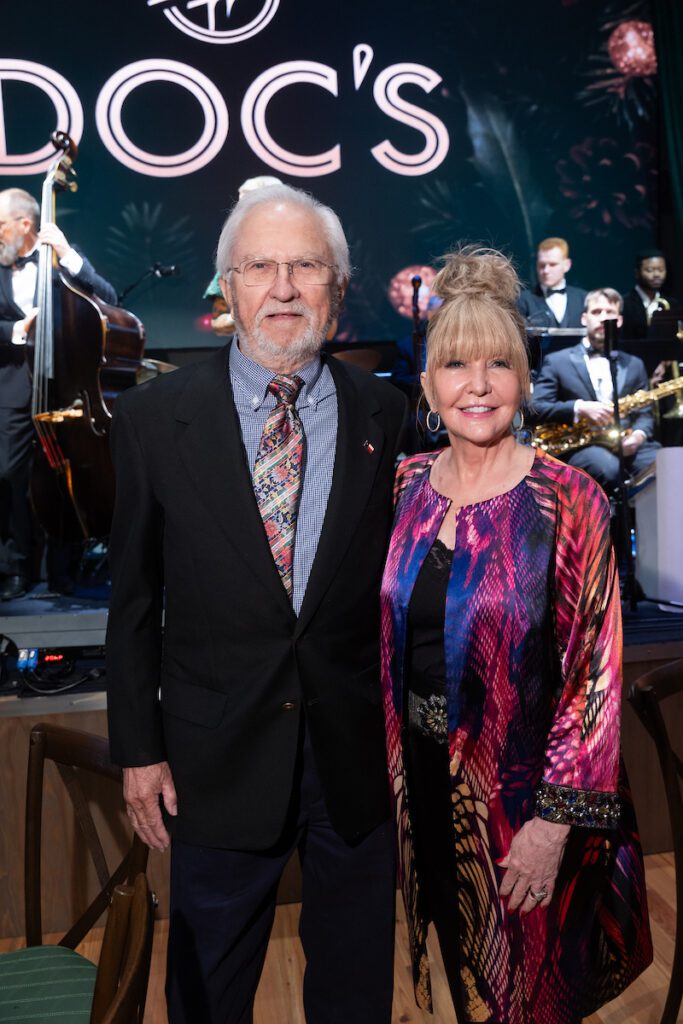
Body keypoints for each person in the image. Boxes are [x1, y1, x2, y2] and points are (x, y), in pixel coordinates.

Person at [106, 183, 407, 1024]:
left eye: (305, 265)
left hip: (351, 763)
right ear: (226, 286)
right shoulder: (154, 418)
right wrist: (138, 748)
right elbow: (133, 600)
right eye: (259, 267)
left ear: (336, 288)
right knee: (208, 989)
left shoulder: (386, 414)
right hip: (212, 761)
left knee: (353, 990)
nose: (282, 287)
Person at [380, 247, 652, 1024]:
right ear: (428, 384)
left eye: (497, 363)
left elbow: (592, 681)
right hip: (424, 785)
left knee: (529, 992)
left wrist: (552, 822)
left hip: (524, 801)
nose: (476, 384)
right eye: (455, 364)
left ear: (524, 379)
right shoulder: (403, 488)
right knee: (461, 976)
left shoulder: (568, 499)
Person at [0, 187, 116, 600]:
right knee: (10, 480)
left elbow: (108, 299)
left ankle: (62, 572)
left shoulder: (60, 259)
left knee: (64, 475)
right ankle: (16, 569)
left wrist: (68, 253)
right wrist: (18, 330)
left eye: (1, 224)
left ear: (24, 224)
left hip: (65, 389)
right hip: (13, 392)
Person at [531, 288, 660, 492]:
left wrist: (638, 436)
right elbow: (536, 407)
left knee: (667, 465)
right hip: (583, 444)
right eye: (596, 312)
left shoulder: (635, 364)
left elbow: (645, 414)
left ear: (619, 321)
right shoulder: (557, 361)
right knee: (609, 469)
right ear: (584, 318)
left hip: (626, 441)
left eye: (610, 313)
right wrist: (579, 408)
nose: (603, 318)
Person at [517, 236, 587, 329]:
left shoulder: (583, 298)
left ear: (567, 265)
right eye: (542, 265)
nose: (546, 270)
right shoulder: (523, 300)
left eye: (552, 264)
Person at [621, 248, 678, 340]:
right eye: (650, 270)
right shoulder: (624, 303)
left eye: (661, 270)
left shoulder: (672, 304)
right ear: (637, 273)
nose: (657, 274)